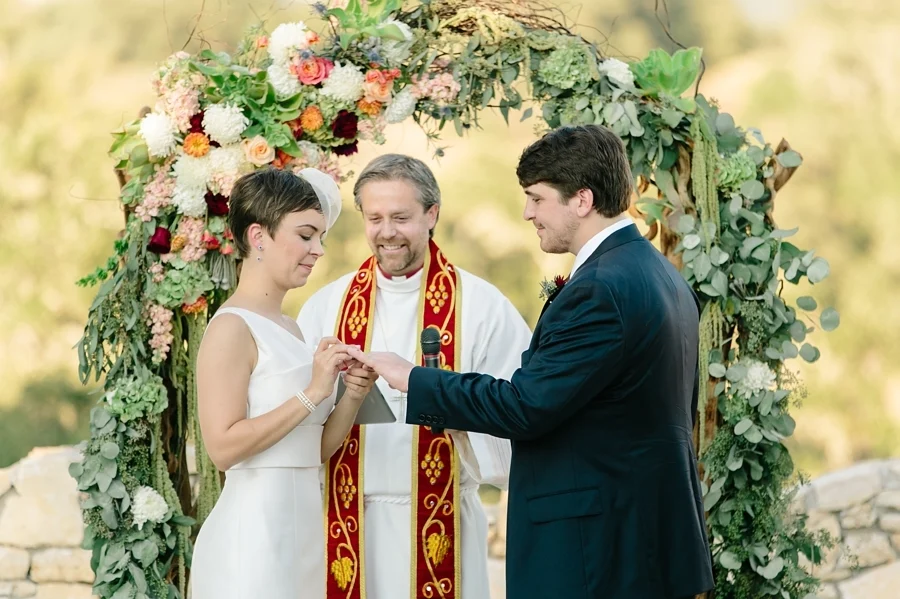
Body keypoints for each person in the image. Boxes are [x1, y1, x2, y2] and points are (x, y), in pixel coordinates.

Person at [349, 126, 716, 599]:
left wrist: (414, 378)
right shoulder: (658, 272)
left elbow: (526, 405)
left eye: (537, 199)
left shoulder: (600, 289)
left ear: (581, 200)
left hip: (595, 548)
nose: (528, 213)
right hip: (642, 535)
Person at [297, 154, 532, 599]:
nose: (387, 232)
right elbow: (302, 421)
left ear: (432, 215)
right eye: (375, 218)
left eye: (401, 217)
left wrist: (457, 414)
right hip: (347, 526)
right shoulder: (326, 306)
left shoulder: (482, 307)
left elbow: (518, 413)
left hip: (446, 528)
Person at [190, 167, 378, 599]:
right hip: (252, 541)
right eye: (306, 235)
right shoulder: (231, 329)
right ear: (259, 237)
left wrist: (351, 394)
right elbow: (222, 447)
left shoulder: (293, 330)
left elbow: (314, 448)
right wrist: (313, 391)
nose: (318, 250)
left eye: (321, 238)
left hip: (304, 537)